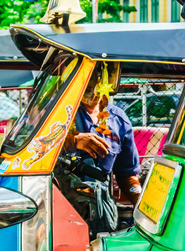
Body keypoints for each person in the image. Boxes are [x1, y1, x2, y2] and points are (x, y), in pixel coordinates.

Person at [57, 62, 142, 236]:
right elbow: (39, 145)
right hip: (62, 209)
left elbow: (128, 175)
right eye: (89, 82)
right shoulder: (59, 114)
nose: (94, 89)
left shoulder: (119, 120)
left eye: (100, 81)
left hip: (101, 213)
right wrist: (72, 140)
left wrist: (141, 204)